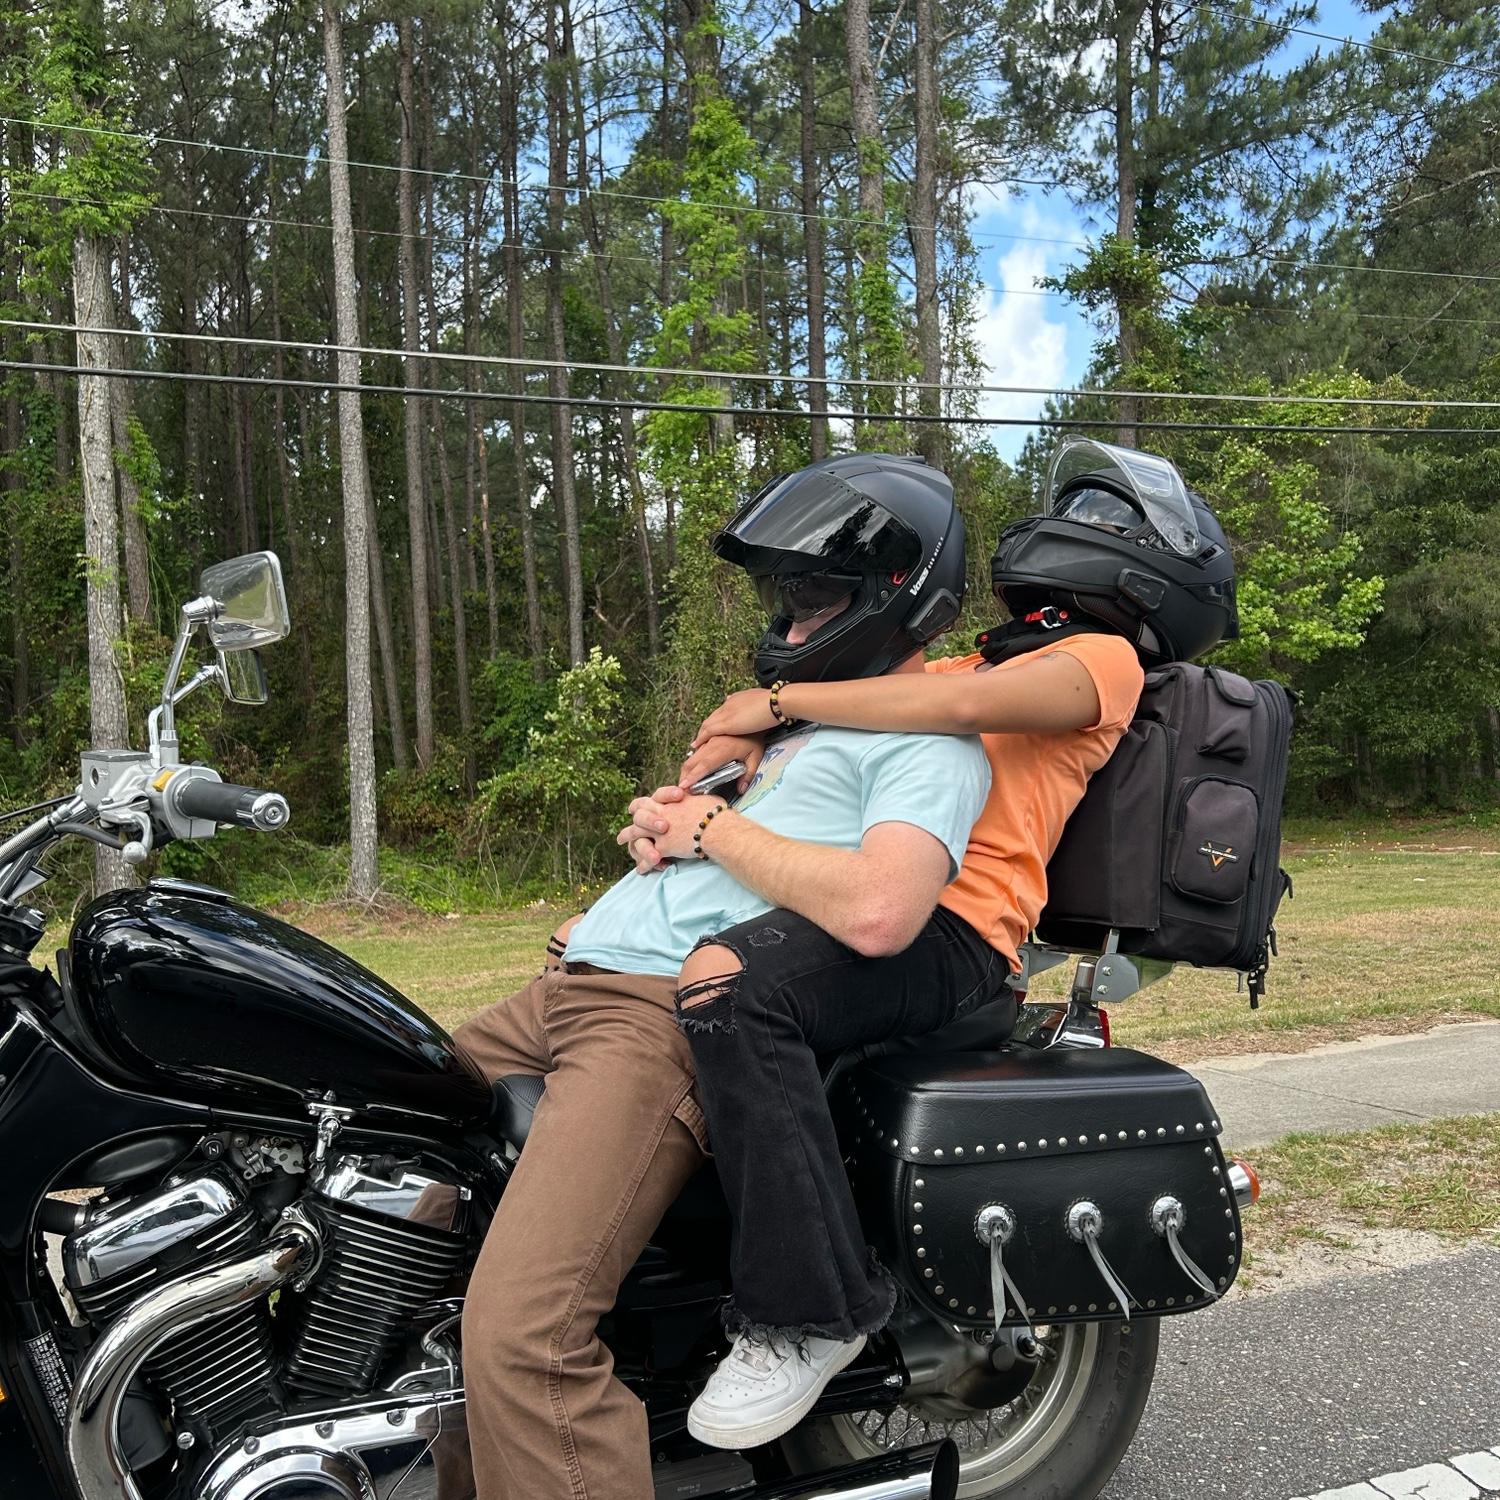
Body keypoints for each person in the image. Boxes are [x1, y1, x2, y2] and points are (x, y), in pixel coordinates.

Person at [622, 437, 1240, 1450]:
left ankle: (807, 1315)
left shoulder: (1100, 661)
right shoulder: (977, 656)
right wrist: (724, 759)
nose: (1079, 526)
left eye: (1113, 520)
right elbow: (857, 712)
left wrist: (773, 702)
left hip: (955, 932)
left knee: (738, 993)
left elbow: (951, 707)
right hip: (855, 905)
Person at [452, 452, 992, 1500]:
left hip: (651, 1024)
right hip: (563, 993)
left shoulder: (931, 746)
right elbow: (722, 852)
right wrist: (656, 845)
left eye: (811, 595)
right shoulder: (799, 734)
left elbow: (883, 909)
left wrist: (712, 831)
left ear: (894, 597)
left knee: (525, 1334)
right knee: (353, 1138)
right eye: (779, 597)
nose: (787, 623)